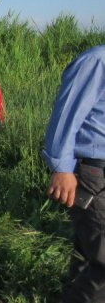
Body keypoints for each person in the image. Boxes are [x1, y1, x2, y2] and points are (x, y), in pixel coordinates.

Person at [43, 45, 105, 302]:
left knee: (88, 253)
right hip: (94, 172)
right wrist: (62, 167)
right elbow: (66, 115)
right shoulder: (96, 61)